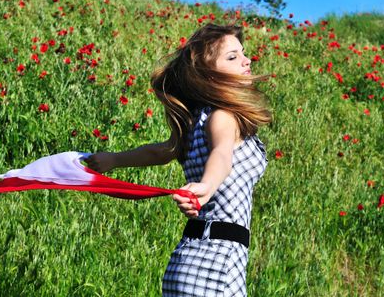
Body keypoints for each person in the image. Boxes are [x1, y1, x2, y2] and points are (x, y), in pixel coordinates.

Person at [85, 23, 271, 296]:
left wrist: (113, 159)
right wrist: (207, 186)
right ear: (209, 75)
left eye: (243, 53)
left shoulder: (196, 122)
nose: (247, 60)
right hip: (216, 265)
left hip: (190, 263)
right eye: (232, 57)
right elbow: (222, 154)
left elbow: (160, 151)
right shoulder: (222, 117)